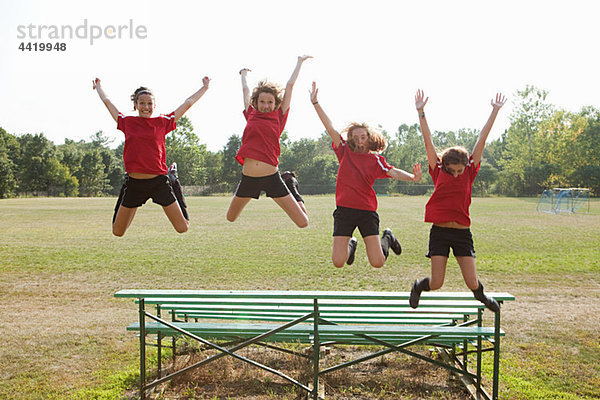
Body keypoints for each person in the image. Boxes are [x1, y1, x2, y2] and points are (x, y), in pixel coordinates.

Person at [410, 89, 506, 312]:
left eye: (459, 171)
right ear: (445, 166)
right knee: (437, 282)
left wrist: (494, 111)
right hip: (440, 232)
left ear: (466, 166)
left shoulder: (471, 170)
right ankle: (417, 287)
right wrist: (421, 112)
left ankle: (482, 296)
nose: (455, 174)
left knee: (472, 282)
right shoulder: (438, 170)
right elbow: (428, 140)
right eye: (451, 170)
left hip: (462, 233)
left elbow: (482, 138)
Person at [310, 82, 422, 268]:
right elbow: (329, 127)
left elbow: (392, 171)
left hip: (366, 211)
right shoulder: (344, 150)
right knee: (338, 261)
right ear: (351, 138)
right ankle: (351, 244)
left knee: (377, 262)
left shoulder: (375, 160)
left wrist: (412, 177)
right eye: (355, 138)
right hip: (344, 211)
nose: (360, 141)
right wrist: (316, 103)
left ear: (369, 138)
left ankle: (387, 238)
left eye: (363, 137)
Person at [93, 76, 210, 236]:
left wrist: (205, 87)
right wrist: (99, 87)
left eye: (149, 103)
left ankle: (173, 179)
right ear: (136, 105)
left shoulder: (162, 122)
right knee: (118, 232)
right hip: (134, 184)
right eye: (142, 103)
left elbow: (188, 103)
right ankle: (134, 203)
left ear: (154, 105)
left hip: (159, 182)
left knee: (182, 228)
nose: (146, 107)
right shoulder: (127, 122)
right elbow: (107, 102)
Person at [226, 56, 312, 227]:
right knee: (230, 217)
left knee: (303, 222)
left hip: (272, 177)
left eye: (270, 102)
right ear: (256, 103)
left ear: (275, 103)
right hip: (248, 178)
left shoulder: (279, 116)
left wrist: (299, 62)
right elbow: (245, 90)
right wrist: (243, 74)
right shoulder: (250, 113)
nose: (266, 105)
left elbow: (289, 86)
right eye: (262, 102)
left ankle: (290, 185)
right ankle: (288, 186)